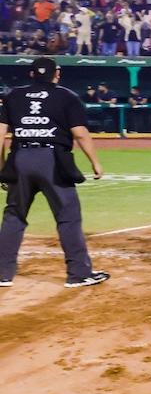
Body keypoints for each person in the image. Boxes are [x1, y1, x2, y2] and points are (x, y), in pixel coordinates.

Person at [0, 58, 107, 288]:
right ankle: (78, 274)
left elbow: (0, 135)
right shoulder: (67, 96)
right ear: (56, 74)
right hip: (52, 161)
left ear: (31, 75)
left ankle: (2, 274)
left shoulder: (13, 96)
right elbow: (79, 133)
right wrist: (95, 162)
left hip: (20, 158)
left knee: (14, 216)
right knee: (68, 216)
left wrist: (2, 168)